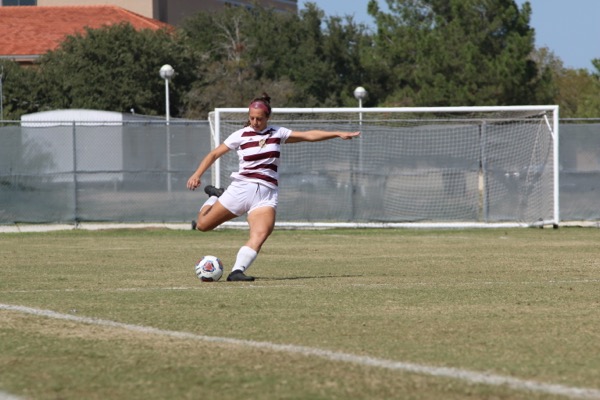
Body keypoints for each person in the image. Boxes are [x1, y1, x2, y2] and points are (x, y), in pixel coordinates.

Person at [186, 93, 360, 282]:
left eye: (259, 119)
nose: (255, 122)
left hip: (266, 195)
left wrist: (336, 133)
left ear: (267, 117)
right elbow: (213, 154)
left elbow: (307, 135)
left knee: (260, 234)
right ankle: (214, 196)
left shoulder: (277, 133)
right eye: (251, 118)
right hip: (241, 189)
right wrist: (197, 175)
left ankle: (237, 271)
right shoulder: (240, 135)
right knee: (203, 226)